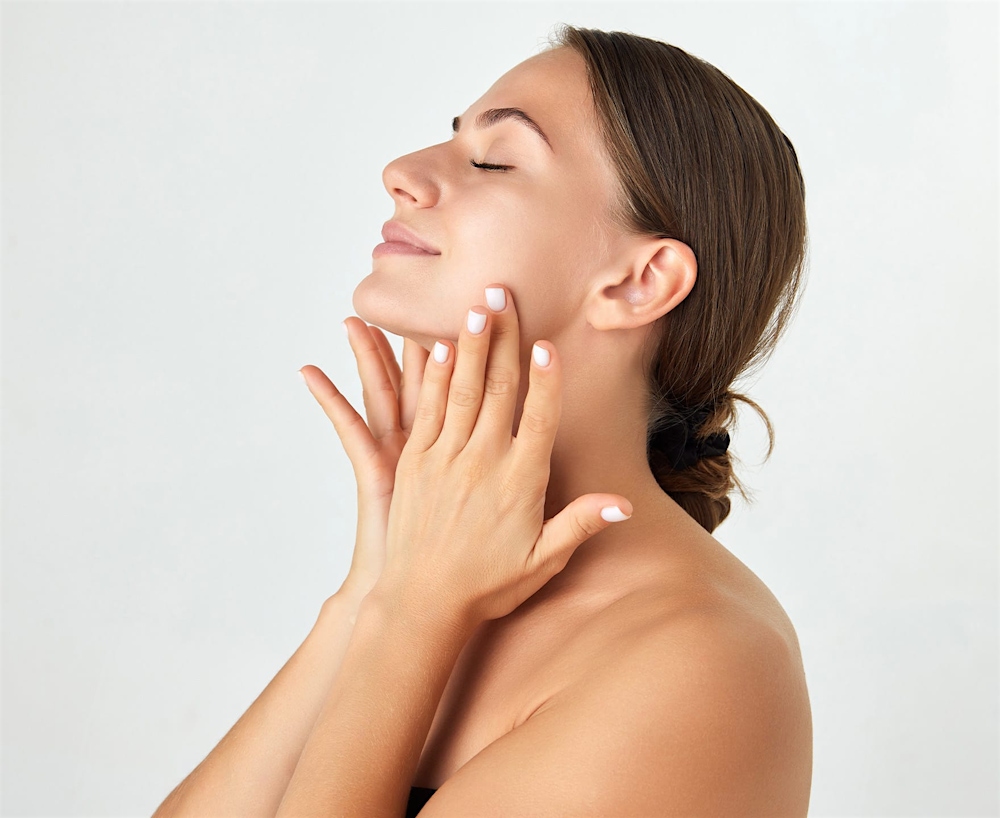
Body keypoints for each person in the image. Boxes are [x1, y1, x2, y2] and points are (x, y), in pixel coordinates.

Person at [152, 24, 812, 817]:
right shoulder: (425, 577)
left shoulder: (703, 659)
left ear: (639, 281)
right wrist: (374, 588)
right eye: (453, 137)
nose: (401, 173)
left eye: (495, 160)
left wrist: (410, 617)